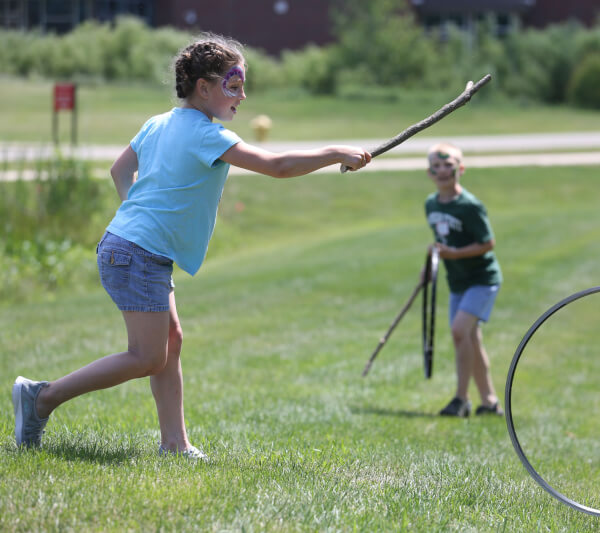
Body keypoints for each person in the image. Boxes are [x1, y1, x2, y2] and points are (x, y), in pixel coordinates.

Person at [12, 34, 371, 458]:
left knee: (171, 342)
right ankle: (42, 398)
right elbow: (277, 167)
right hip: (136, 254)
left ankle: (175, 443)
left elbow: (119, 170)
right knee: (146, 356)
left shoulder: (158, 122)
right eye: (233, 86)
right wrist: (335, 152)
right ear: (204, 88)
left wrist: (139, 214)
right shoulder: (207, 135)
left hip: (131, 247)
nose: (242, 95)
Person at [424, 143, 503, 418]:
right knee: (470, 337)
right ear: (429, 172)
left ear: (461, 169)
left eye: (449, 165)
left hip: (482, 279)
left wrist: (454, 253)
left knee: (459, 332)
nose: (443, 170)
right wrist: (434, 259)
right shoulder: (431, 204)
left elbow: (488, 243)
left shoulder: (470, 206)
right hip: (457, 281)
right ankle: (489, 402)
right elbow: (443, 240)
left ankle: (460, 399)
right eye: (436, 166)